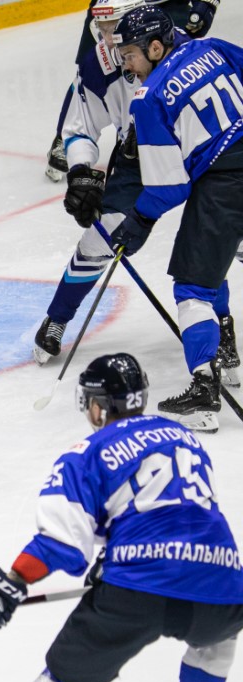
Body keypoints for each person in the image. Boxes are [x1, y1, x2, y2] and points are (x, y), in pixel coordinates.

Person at [0, 353, 243, 682]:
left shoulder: (87, 452)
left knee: (61, 681)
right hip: (222, 578)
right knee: (220, 638)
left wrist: (12, 581)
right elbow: (172, 511)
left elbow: (62, 543)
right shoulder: (184, 438)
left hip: (136, 592)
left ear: (97, 406)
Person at [32, 0, 239, 385]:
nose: (110, 40)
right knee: (101, 237)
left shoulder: (178, 44)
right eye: (103, 29)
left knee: (211, 245)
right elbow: (80, 128)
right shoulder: (98, 63)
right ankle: (58, 317)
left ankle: (221, 327)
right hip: (139, 155)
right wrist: (81, 172)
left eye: (116, 27)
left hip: (203, 152)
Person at [108, 7, 243, 434]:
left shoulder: (150, 99)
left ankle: (205, 389)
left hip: (225, 187)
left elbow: (171, 187)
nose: (126, 67)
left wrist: (137, 222)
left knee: (193, 286)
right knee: (213, 265)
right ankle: (228, 352)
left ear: (154, 46)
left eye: (129, 55)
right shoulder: (213, 46)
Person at [41, 0, 218, 182]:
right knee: (95, 69)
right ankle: (70, 136)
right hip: (113, 7)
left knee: (174, 66)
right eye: (103, 31)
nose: (108, 42)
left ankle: (157, 129)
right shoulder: (104, 37)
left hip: (166, 6)